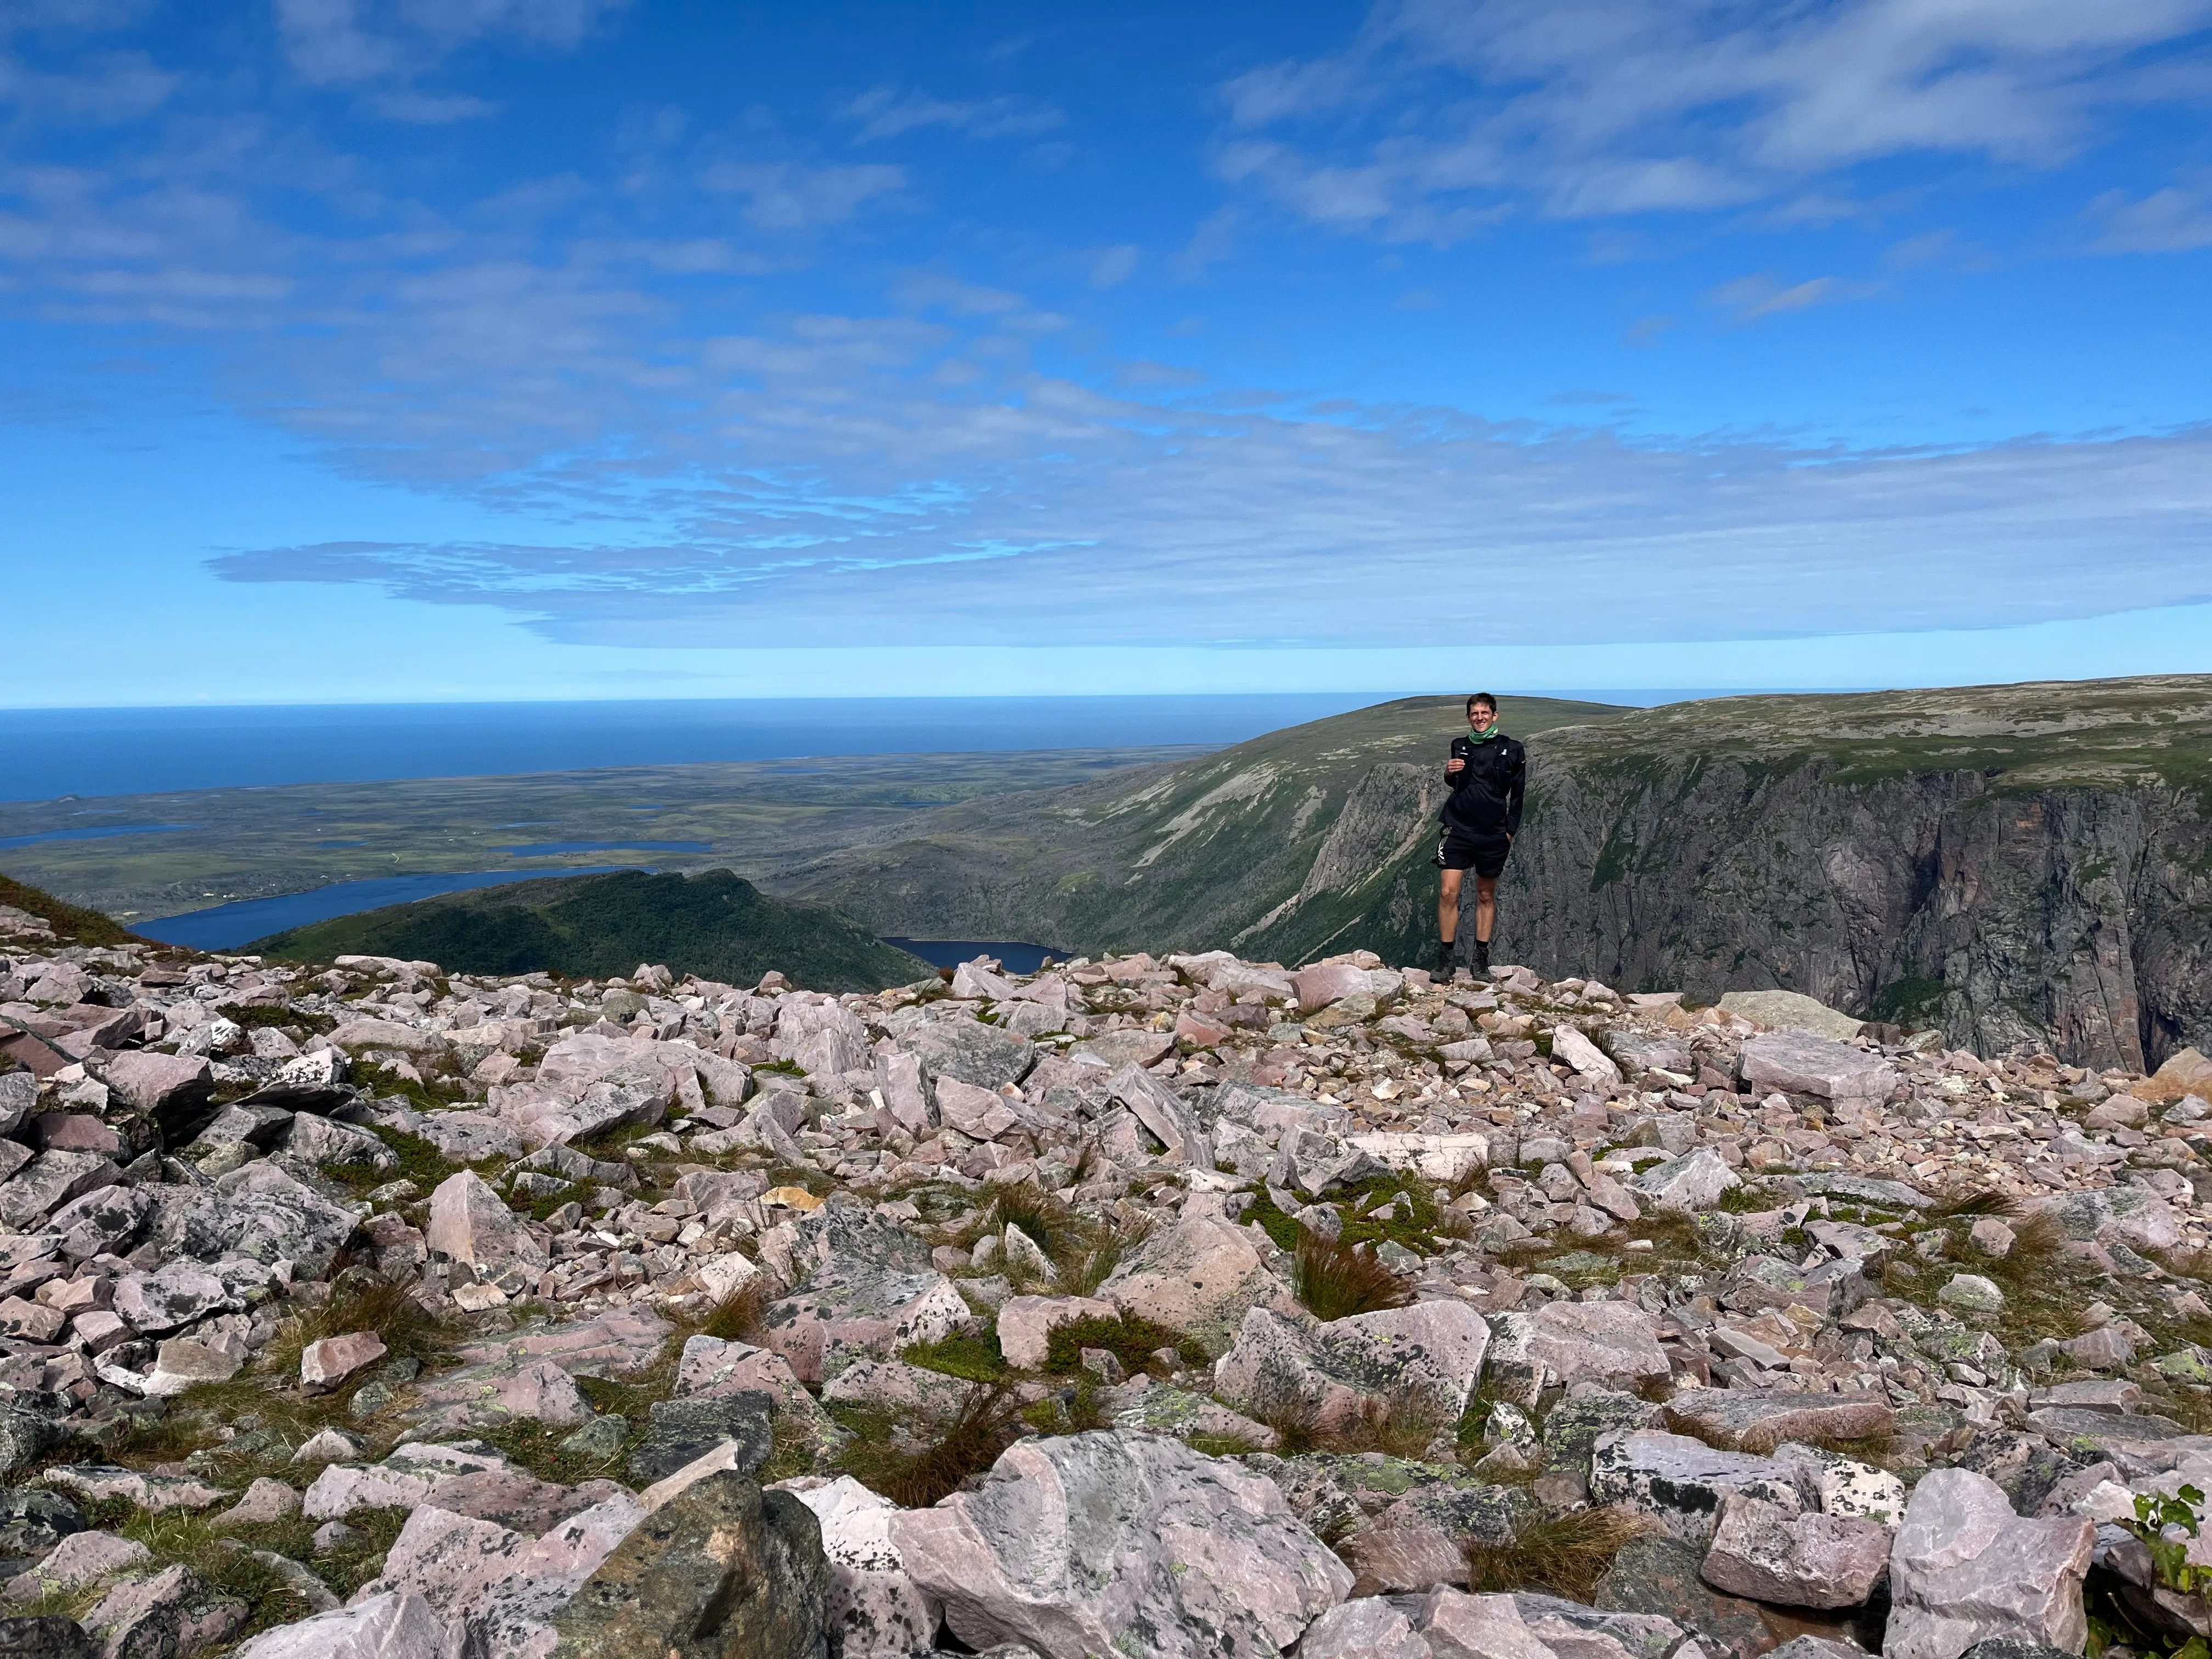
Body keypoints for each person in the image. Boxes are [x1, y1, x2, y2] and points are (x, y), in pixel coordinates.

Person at [1431, 691, 1525, 978]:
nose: (1480, 718)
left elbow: (1518, 795)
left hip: (1493, 834)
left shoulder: (1514, 749)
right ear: (1469, 717)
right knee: (1448, 892)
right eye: (1475, 714)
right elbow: (1457, 783)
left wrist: (1509, 831)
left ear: (1495, 716)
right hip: (1458, 827)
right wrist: (1448, 774)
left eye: (1485, 713)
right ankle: (1446, 961)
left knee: (1485, 895)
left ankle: (1480, 961)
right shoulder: (1459, 745)